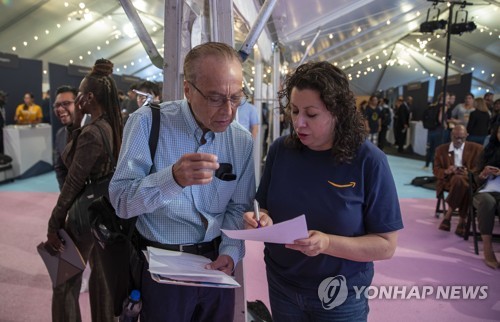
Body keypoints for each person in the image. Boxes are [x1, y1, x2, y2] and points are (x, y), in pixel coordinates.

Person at [243, 61, 403, 321]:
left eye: (311, 114)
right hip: (282, 282)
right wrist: (259, 218)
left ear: (337, 112)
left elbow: (386, 246)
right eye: (294, 111)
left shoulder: (368, 160)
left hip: (340, 293)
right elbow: (264, 206)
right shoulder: (281, 150)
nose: (299, 123)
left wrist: (327, 243)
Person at [109, 42, 256, 322]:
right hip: (162, 269)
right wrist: (172, 179)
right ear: (188, 90)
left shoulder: (241, 140)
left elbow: (239, 207)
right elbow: (121, 202)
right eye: (215, 98)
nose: (229, 111)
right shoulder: (147, 123)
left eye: (236, 98)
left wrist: (230, 251)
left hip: (217, 268)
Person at [44, 59, 123, 322]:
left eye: (78, 95)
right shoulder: (111, 126)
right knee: (102, 281)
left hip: (84, 215)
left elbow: (74, 181)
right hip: (103, 212)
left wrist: (54, 221)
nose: (76, 101)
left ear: (89, 98)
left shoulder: (92, 132)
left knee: (64, 282)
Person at [435, 125, 483, 236]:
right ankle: (462, 220)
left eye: (462, 138)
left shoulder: (477, 149)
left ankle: (448, 215)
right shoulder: (441, 150)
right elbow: (436, 170)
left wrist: (468, 172)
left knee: (461, 181)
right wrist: (447, 170)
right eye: (456, 137)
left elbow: (480, 167)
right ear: (451, 136)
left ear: (467, 136)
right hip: (449, 180)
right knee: (461, 182)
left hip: (468, 179)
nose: (459, 140)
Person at [473, 123, 500, 269]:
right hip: (486, 191)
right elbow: (476, 179)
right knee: (487, 202)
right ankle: (488, 249)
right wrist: (483, 174)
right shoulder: (488, 151)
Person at [52, 85, 78, 190]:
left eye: (66, 103)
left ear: (79, 104)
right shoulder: (60, 134)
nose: (60, 109)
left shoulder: (96, 129)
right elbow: (60, 169)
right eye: (57, 105)